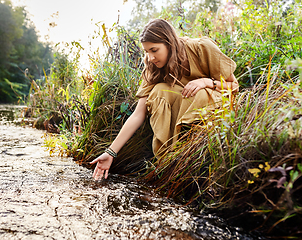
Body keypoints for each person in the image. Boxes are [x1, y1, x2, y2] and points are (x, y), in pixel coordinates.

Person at [90, 19, 239, 180]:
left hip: (215, 110)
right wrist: (111, 152)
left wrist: (206, 82)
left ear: (169, 43)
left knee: (200, 93)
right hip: (184, 107)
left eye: (154, 50)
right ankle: (168, 159)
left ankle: (194, 151)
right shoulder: (152, 66)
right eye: (147, 51)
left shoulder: (201, 47)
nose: (151, 57)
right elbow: (138, 114)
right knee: (159, 91)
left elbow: (234, 86)